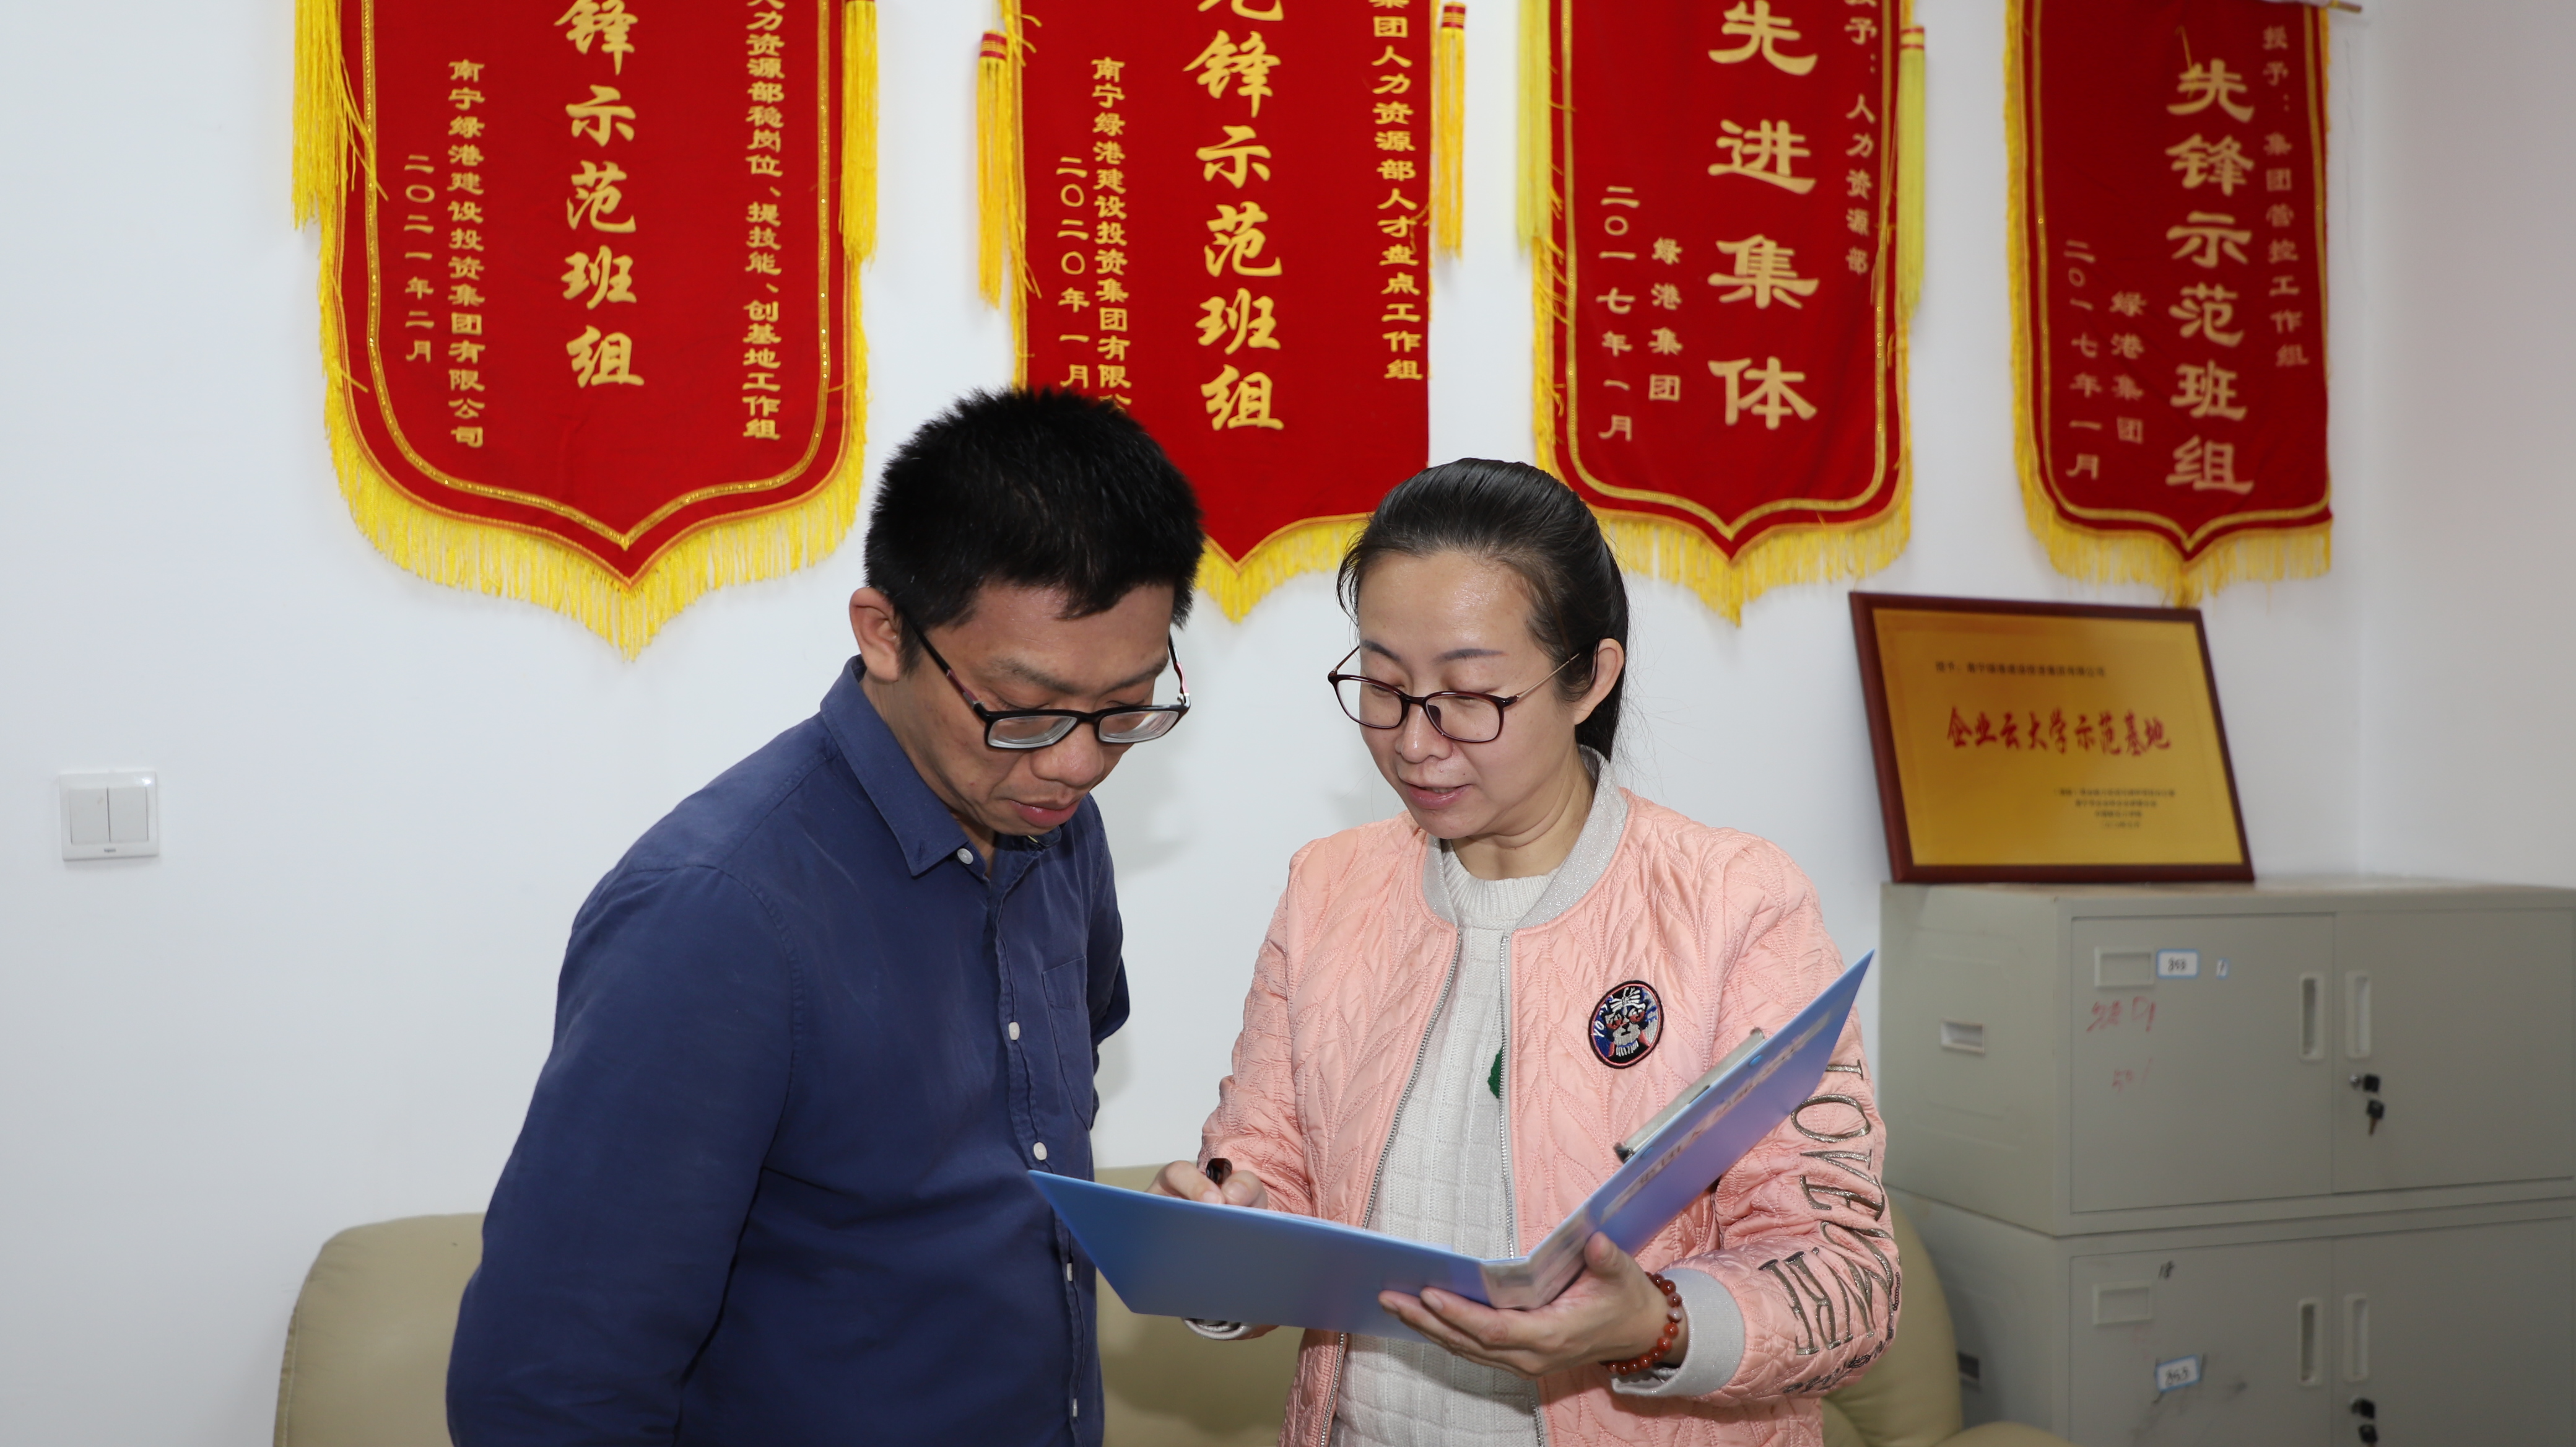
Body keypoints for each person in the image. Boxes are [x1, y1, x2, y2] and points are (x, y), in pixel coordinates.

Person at [448, 390, 1205, 1446]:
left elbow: (1022, 1138)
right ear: (885, 633)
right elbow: (549, 1386)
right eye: (1026, 709)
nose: (1079, 762)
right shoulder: (718, 913)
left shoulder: (1051, 825)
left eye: (1125, 708)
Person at [1154, 460, 1895, 1446]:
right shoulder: (1327, 887)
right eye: (1383, 685)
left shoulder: (1732, 903)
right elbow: (1268, 1173)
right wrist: (1225, 1237)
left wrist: (1655, 1323)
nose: (1416, 741)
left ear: (1591, 677)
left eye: (1469, 694)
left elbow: (1848, 1276)